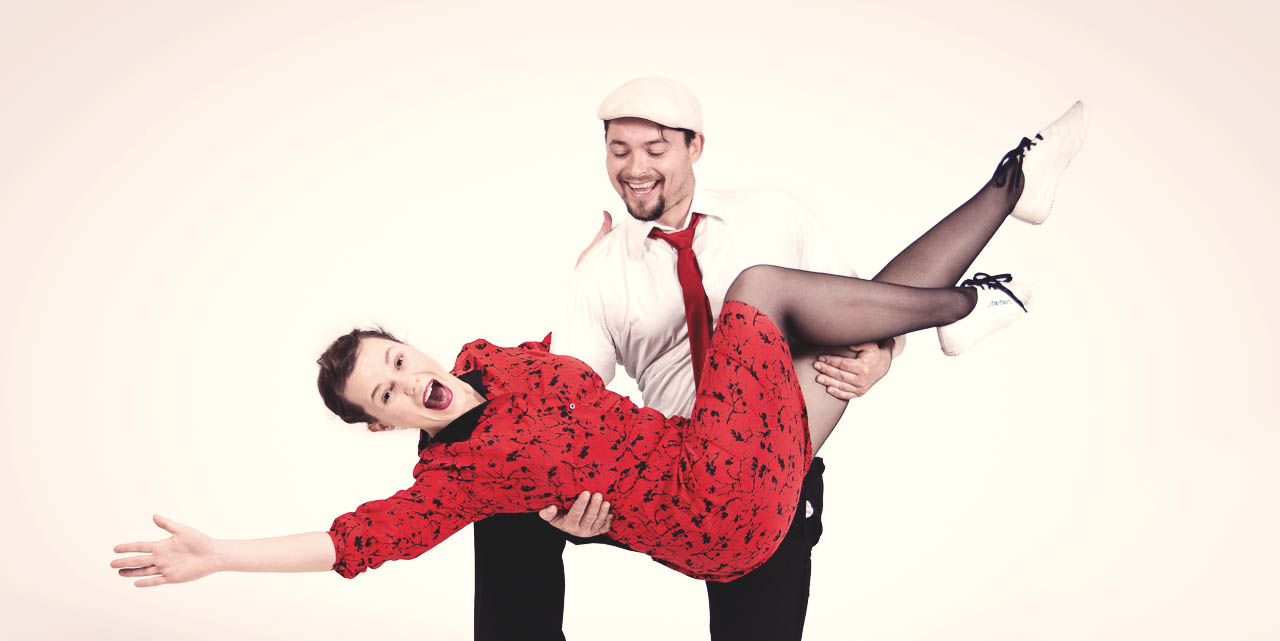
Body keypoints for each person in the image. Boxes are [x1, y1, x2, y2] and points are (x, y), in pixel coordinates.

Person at [110, 98, 1088, 603]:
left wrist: (592, 266)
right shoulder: (451, 478)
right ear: (383, 425)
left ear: (413, 346)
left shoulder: (509, 360)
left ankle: (1010, 186)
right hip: (711, 509)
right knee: (757, 291)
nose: (407, 384)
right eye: (386, 395)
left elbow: (571, 365)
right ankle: (970, 304)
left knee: (845, 317)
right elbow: (347, 542)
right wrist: (221, 556)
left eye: (396, 361)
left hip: (732, 457)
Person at [474, 77, 904, 641]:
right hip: (669, 472)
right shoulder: (601, 271)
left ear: (694, 146)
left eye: (655, 149)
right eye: (619, 150)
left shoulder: (772, 216)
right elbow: (568, 401)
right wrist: (567, 505)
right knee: (501, 487)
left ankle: (973, 295)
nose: (635, 168)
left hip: (766, 474)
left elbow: (866, 306)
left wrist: (884, 353)